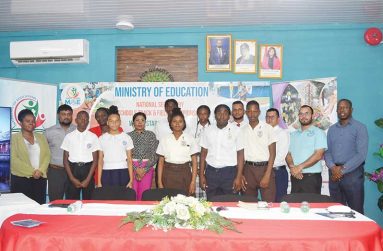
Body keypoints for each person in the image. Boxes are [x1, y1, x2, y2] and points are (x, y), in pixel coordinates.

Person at [324, 99, 368, 214]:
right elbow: (328, 152)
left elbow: (361, 155)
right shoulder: (331, 130)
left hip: (352, 175)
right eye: (339, 107)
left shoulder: (360, 128)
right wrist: (333, 168)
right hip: (334, 175)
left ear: (351, 110)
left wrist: (342, 170)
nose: (341, 110)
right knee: (336, 212)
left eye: (345, 107)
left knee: (356, 212)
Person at [199, 104, 244, 200]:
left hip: (230, 174)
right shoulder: (207, 130)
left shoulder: (236, 130)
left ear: (229, 116)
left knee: (231, 204)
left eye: (225, 113)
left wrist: (239, 176)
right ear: (215, 115)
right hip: (211, 173)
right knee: (211, 204)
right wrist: (202, 175)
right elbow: (203, 154)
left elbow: (240, 155)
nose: (222, 116)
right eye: (219, 113)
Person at [10, 109, 50, 204]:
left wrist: (40, 171)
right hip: (21, 180)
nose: (31, 123)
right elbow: (14, 160)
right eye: (28, 121)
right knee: (21, 207)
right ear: (20, 123)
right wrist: (32, 172)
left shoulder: (41, 137)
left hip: (40, 179)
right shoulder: (14, 138)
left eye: (33, 121)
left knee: (38, 207)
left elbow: (47, 155)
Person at [286, 105, 327, 194]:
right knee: (295, 207)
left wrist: (299, 167)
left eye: (306, 113)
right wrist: (293, 168)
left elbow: (318, 155)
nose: (303, 116)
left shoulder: (319, 133)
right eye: (301, 114)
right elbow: (288, 154)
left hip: (311, 178)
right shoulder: (293, 135)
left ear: (312, 116)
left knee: (312, 207)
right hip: (295, 176)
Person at [156, 108, 199, 195]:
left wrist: (193, 182)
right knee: (167, 202)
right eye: (174, 121)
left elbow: (194, 162)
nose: (177, 124)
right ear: (170, 124)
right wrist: (159, 182)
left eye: (180, 121)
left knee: (186, 202)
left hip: (185, 173)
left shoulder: (190, 138)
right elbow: (160, 162)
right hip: (168, 173)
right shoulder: (165, 139)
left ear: (184, 124)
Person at [241, 101, 276, 202]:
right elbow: (239, 154)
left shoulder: (268, 128)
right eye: (249, 111)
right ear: (246, 112)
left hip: (265, 169)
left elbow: (273, 154)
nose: (252, 114)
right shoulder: (242, 130)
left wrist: (267, 174)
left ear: (259, 112)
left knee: (269, 204)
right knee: (248, 204)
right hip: (248, 170)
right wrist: (241, 174)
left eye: (255, 111)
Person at [61, 111, 100, 200]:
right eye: (81, 118)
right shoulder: (69, 137)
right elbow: (65, 160)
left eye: (86, 118)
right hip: (73, 170)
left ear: (88, 121)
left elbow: (95, 160)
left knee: (89, 202)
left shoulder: (93, 137)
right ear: (76, 120)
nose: (83, 120)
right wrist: (71, 178)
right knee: (71, 201)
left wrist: (88, 179)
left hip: (88, 170)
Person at [44, 104, 76, 201]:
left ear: (72, 116)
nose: (66, 116)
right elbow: (44, 153)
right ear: (58, 115)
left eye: (69, 114)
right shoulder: (49, 132)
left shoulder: (77, 131)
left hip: (73, 171)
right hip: (55, 172)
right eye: (63, 114)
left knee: (72, 201)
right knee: (55, 201)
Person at [98, 106, 134, 188]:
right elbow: (100, 161)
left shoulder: (126, 137)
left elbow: (129, 160)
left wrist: (131, 180)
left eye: (116, 121)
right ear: (107, 122)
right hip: (106, 172)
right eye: (111, 121)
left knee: (122, 198)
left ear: (120, 122)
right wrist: (99, 182)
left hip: (123, 172)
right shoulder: (102, 138)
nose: (114, 123)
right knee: (108, 198)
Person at [128, 112, 159, 200]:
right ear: (133, 123)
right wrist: (135, 169)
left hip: (147, 166)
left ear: (145, 122)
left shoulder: (151, 135)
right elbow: (126, 156)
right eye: (137, 120)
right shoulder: (128, 136)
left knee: (144, 193)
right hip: (131, 166)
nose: (140, 122)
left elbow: (154, 154)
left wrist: (144, 170)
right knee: (131, 193)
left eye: (142, 120)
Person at [89, 107, 123, 186]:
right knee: (100, 194)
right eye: (98, 116)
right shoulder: (92, 132)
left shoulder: (119, 129)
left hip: (115, 168)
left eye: (103, 115)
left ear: (108, 116)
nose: (100, 118)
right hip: (97, 169)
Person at [187, 105, 211, 199]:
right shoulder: (192, 130)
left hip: (209, 160)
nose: (202, 116)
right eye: (200, 114)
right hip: (195, 160)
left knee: (207, 187)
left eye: (205, 114)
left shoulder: (213, 128)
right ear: (197, 115)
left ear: (209, 115)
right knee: (196, 191)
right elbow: (189, 148)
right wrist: (194, 167)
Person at [266, 108, 290, 202]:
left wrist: (267, 166)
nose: (269, 119)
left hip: (278, 172)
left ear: (278, 119)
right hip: (267, 171)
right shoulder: (264, 133)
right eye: (267, 117)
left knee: (279, 201)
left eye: (272, 117)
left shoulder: (282, 133)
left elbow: (281, 155)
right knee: (268, 201)